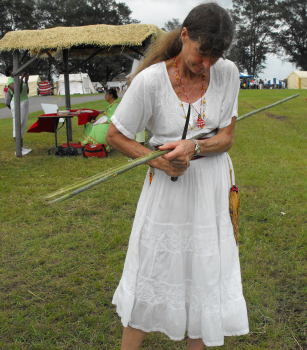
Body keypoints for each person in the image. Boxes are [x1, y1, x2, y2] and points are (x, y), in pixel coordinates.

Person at [106, 3, 249, 349]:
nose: (207, 65)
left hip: (211, 188)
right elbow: (115, 135)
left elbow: (226, 137)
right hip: (168, 189)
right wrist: (155, 160)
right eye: (202, 54)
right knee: (149, 274)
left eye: (215, 57)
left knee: (204, 275)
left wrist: (195, 149)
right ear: (185, 35)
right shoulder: (151, 81)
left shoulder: (228, 73)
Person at [6, 66, 32, 155]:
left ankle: (21, 146)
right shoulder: (10, 81)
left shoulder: (19, 79)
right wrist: (21, 80)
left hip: (24, 102)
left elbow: (26, 91)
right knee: (18, 125)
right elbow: (18, 91)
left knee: (23, 124)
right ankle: (18, 148)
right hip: (17, 103)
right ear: (10, 71)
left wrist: (26, 81)